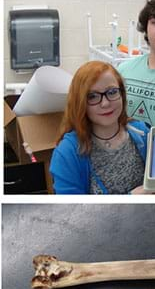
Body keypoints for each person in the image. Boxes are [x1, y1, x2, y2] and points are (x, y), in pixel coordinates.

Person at [50, 61, 149, 194]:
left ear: (122, 94)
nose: (105, 103)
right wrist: (130, 199)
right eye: (92, 96)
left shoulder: (143, 133)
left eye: (112, 92)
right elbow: (72, 211)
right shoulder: (67, 154)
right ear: (80, 102)